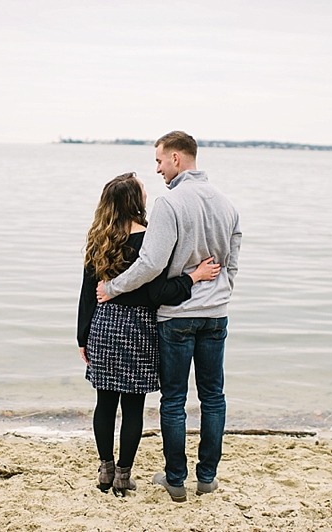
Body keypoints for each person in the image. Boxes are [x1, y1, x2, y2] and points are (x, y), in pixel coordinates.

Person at [97, 131, 241, 503]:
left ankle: (176, 479)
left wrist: (112, 288)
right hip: (216, 314)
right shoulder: (227, 204)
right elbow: (234, 262)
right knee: (213, 397)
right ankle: (207, 477)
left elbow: (150, 264)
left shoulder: (170, 203)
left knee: (174, 400)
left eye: (160, 161)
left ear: (177, 158)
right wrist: (220, 292)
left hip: (176, 316)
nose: (158, 169)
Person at [77, 171, 220, 496]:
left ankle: (105, 469)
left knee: (104, 403)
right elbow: (157, 294)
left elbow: (88, 292)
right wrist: (194, 277)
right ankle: (123, 476)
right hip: (139, 329)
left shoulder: (98, 236)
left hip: (104, 325)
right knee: (132, 407)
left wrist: (82, 337)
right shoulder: (148, 237)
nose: (147, 193)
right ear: (133, 200)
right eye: (142, 190)